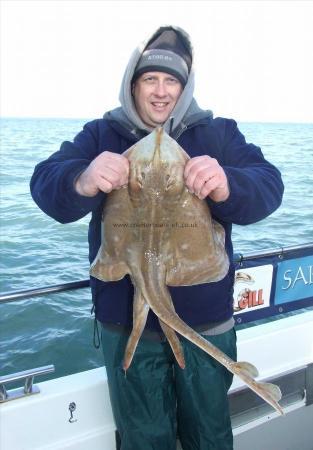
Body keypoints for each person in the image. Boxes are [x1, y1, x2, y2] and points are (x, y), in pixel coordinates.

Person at [30, 26, 284, 450]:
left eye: (172, 81)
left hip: (205, 323)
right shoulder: (100, 134)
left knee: (210, 435)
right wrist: (83, 177)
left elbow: (269, 186)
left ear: (185, 88)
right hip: (125, 323)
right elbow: (44, 183)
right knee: (143, 440)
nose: (161, 91)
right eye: (151, 79)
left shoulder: (218, 134)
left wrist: (228, 184)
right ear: (133, 85)